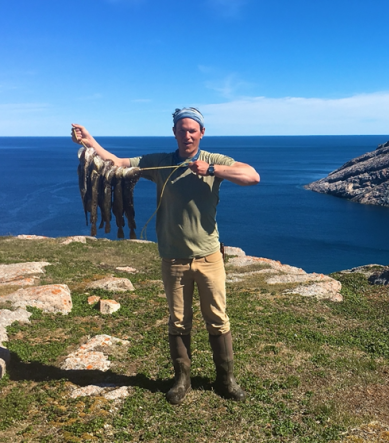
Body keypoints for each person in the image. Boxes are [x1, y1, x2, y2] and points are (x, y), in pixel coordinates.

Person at [71, 107, 260, 404]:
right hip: (173, 258)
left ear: (202, 133)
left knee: (218, 319)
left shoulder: (214, 160)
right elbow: (118, 163)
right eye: (182, 130)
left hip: (209, 257)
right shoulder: (159, 162)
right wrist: (89, 141)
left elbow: (252, 176)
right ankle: (182, 380)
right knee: (179, 321)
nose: (187, 135)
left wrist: (211, 170)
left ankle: (226, 380)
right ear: (174, 133)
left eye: (192, 130)